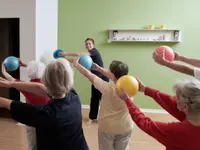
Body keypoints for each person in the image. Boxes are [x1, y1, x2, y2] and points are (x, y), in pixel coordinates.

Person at [0, 58, 89, 150]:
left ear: (45, 81)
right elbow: (40, 87)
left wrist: (11, 83)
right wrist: (10, 84)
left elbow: (3, 102)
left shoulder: (44, 113)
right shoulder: (74, 96)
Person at [116, 78, 200, 150]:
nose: (173, 98)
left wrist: (127, 100)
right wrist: (146, 90)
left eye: (176, 98)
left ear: (185, 107)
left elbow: (145, 124)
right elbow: (171, 103)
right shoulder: (194, 112)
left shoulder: (176, 131)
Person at [73, 57, 133, 150]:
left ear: (113, 74)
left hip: (107, 128)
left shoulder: (107, 87)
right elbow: (114, 77)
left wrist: (76, 64)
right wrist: (98, 68)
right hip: (125, 127)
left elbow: (87, 74)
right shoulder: (132, 85)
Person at [2, 59, 49, 150]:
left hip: (31, 119)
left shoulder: (25, 86)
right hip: (46, 119)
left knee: (32, 145)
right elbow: (47, 69)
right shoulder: (48, 84)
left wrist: (3, 70)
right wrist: (26, 64)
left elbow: (10, 80)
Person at [59, 38, 109, 124]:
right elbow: (77, 61)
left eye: (89, 43)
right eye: (86, 44)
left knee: (104, 99)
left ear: (93, 45)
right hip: (95, 79)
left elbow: (78, 54)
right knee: (94, 98)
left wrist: (65, 53)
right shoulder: (87, 56)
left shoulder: (94, 51)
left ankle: (107, 119)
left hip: (103, 78)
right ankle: (92, 118)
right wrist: (65, 58)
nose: (88, 45)